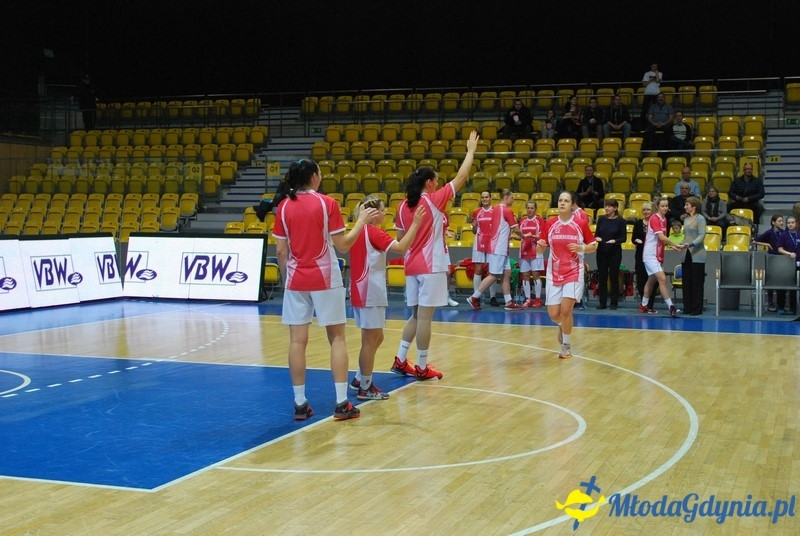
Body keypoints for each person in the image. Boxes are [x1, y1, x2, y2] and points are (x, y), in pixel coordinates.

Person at [273, 159, 380, 421]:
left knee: (297, 341)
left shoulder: (284, 207)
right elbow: (343, 245)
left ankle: (300, 403)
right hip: (325, 278)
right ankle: (342, 402)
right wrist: (362, 221)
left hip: (296, 280)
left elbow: (280, 252)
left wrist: (290, 278)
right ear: (313, 176)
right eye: (319, 172)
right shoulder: (326, 203)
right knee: (337, 338)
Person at [392, 130, 480, 381]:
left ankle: (400, 358)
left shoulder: (400, 205)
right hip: (430, 267)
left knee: (416, 315)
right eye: (437, 181)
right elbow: (462, 177)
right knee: (425, 318)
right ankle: (421, 366)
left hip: (411, 266)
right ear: (429, 183)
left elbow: (401, 240)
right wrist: (471, 150)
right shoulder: (431, 201)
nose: (440, 184)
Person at [348, 196, 425, 400]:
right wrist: (416, 224)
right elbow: (401, 248)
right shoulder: (373, 232)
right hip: (369, 291)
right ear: (373, 214)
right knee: (369, 340)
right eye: (382, 210)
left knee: (376, 337)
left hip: (361, 289)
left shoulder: (357, 230)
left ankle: (358, 378)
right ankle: (365, 386)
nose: (385, 214)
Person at [536, 191, 598, 359]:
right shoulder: (549, 224)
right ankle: (561, 325)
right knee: (554, 314)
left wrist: (581, 248)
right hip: (554, 272)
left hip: (574, 270)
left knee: (565, 310)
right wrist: (540, 246)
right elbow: (540, 249)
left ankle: (566, 346)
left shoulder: (580, 223)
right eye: (560, 200)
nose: (562, 203)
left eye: (566, 201)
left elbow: (593, 245)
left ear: (572, 204)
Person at [467, 189, 523, 311]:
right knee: (494, 275)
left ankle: (508, 302)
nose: (513, 200)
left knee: (507, 273)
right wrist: (526, 237)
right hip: (499, 248)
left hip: (500, 247)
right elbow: (516, 229)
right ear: (506, 197)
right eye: (512, 197)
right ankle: (474, 297)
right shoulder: (507, 211)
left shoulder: (495, 209)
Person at [638, 196, 682, 317]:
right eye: (662, 206)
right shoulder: (654, 219)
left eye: (667, 206)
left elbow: (661, 240)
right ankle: (671, 307)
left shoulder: (664, 219)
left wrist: (671, 247)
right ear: (657, 207)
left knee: (651, 280)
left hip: (658, 254)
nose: (665, 208)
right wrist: (675, 244)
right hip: (650, 255)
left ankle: (643, 306)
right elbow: (662, 237)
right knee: (662, 279)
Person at [594, 198, 627, 309]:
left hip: (615, 251)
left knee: (614, 277)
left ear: (615, 208)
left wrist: (615, 241)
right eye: (606, 206)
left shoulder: (621, 221)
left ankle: (614, 302)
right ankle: (602, 302)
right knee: (602, 277)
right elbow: (597, 234)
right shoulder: (601, 219)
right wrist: (597, 238)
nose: (606, 208)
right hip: (602, 251)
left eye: (609, 206)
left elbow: (624, 238)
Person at [469, 190, 499, 306]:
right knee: (478, 270)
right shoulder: (476, 212)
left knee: (492, 270)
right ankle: (477, 297)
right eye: (483, 197)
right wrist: (474, 226)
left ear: (490, 198)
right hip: (479, 242)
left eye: (487, 197)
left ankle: (493, 297)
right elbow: (474, 231)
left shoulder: (495, 211)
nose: (485, 199)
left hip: (492, 243)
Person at [678, 197, 707, 315]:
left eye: (687, 205)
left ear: (694, 207)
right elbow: (685, 237)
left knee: (697, 282)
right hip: (686, 254)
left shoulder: (701, 219)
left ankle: (697, 308)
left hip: (697, 254)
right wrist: (679, 244)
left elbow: (701, 235)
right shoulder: (686, 220)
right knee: (687, 281)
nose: (685, 207)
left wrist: (691, 244)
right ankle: (687, 307)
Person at [754, 214, 785, 312]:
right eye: (779, 221)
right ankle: (771, 303)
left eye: (782, 221)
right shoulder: (769, 233)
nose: (781, 223)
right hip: (772, 258)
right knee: (771, 281)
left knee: (781, 282)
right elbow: (755, 241)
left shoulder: (784, 233)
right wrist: (767, 244)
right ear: (773, 222)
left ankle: (781, 305)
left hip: (782, 259)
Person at [518, 200, 545, 308]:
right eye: (528, 208)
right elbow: (520, 236)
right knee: (525, 275)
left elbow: (543, 235)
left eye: (532, 208)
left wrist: (532, 236)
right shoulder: (522, 221)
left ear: (535, 209)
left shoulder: (539, 221)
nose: (530, 210)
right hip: (524, 251)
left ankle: (538, 299)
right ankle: (528, 299)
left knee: (536, 275)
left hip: (536, 251)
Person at [633, 202, 658, 311]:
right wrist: (636, 241)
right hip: (640, 254)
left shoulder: (655, 222)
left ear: (652, 210)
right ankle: (644, 303)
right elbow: (633, 238)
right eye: (644, 210)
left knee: (652, 280)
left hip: (652, 254)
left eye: (648, 209)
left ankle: (650, 304)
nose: (646, 212)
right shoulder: (638, 223)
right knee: (641, 280)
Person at [776, 215, 799, 315]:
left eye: (792, 223)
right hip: (786, 264)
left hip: (798, 264)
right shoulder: (783, 235)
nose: (790, 224)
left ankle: (793, 308)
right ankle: (781, 307)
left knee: (794, 287)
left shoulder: (799, 234)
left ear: (796, 224)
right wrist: (789, 254)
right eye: (789, 223)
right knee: (783, 286)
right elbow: (779, 249)